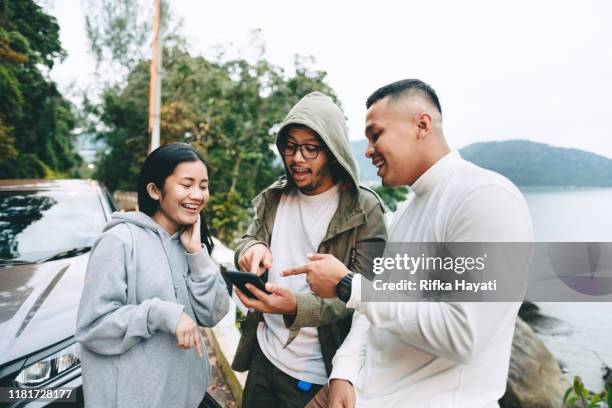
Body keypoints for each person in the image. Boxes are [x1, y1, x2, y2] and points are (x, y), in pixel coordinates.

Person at [284, 79, 534, 407]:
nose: (369, 149)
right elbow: (372, 303)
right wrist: (343, 371)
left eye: (376, 134)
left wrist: (348, 286)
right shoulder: (406, 210)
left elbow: (464, 334)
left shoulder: (484, 198)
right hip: (362, 393)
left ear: (422, 124)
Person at [231, 91, 387, 408]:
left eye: (310, 149)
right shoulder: (274, 197)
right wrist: (252, 249)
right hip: (264, 356)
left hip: (316, 375)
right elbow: (246, 241)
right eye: (290, 146)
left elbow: (367, 297)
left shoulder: (364, 209)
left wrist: (296, 307)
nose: (297, 158)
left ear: (331, 152)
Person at [76, 143, 230, 408]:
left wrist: (197, 254)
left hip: (187, 398)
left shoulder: (189, 241)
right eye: (186, 184)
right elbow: (93, 327)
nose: (197, 194)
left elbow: (214, 313)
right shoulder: (119, 241)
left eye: (203, 186)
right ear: (155, 190)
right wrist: (161, 314)